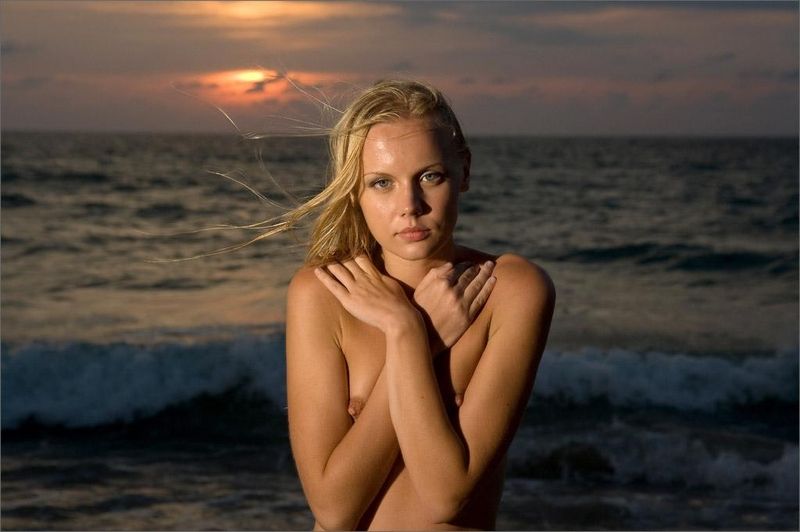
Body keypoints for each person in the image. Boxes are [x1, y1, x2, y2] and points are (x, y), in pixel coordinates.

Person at [285, 79, 555, 530]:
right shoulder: (322, 291)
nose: (409, 206)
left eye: (430, 176)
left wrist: (406, 333)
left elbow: (446, 494)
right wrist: (414, 331)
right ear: (355, 190)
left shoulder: (512, 290)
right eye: (382, 183)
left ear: (464, 171)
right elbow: (333, 509)